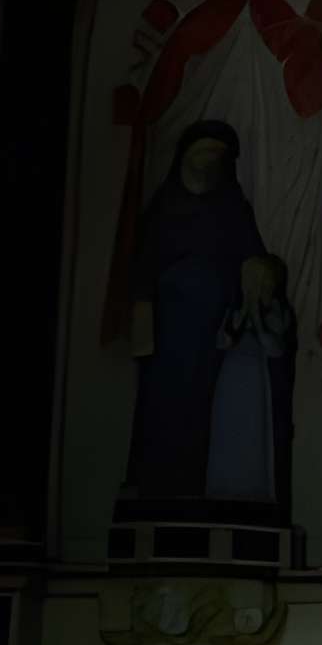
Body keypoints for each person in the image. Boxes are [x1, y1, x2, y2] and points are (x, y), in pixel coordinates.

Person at [123, 121, 266, 504]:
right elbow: (143, 268)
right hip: (167, 333)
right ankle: (155, 485)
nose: (207, 163)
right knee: (159, 409)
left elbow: (250, 257)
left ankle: (193, 484)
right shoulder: (163, 209)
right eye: (202, 153)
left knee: (205, 412)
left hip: (212, 333)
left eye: (216, 156)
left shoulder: (233, 209)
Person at [205, 253, 297, 506]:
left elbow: (274, 347)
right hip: (231, 379)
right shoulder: (235, 309)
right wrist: (241, 316)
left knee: (254, 432)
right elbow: (222, 341)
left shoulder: (276, 311)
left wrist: (255, 317)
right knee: (228, 431)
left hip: (257, 382)